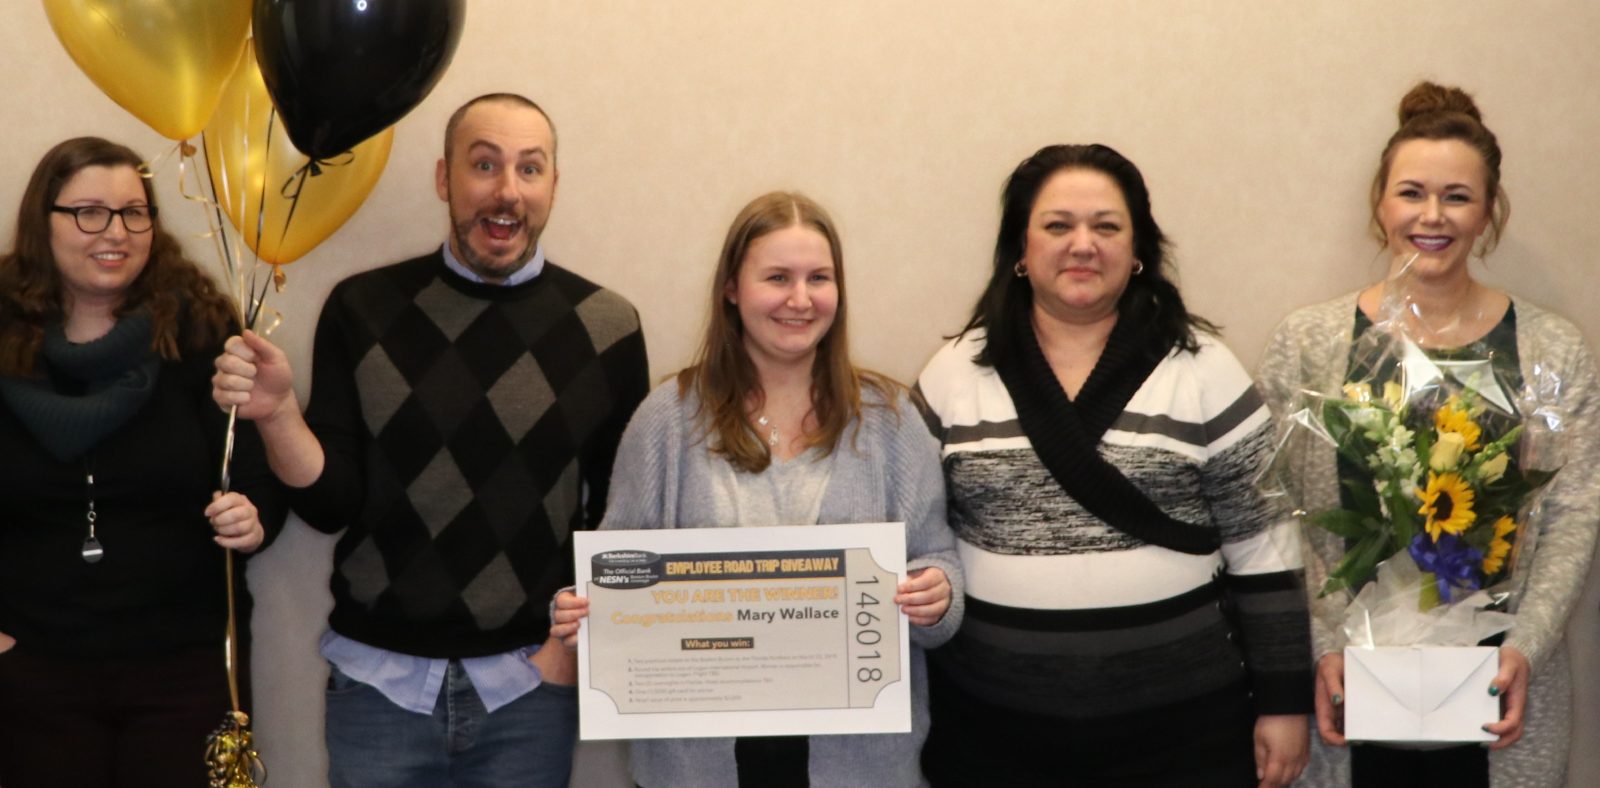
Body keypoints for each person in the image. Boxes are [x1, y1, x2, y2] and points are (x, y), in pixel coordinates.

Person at [211, 93, 650, 787]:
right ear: (445, 178)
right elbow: (330, 504)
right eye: (485, 165)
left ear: (553, 186)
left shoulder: (608, 328)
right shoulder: (363, 308)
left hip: (528, 693)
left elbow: (620, 518)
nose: (507, 192)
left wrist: (567, 651)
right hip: (378, 688)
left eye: (530, 168)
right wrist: (277, 415)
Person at [915, 144, 1312, 787]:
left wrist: (1284, 701)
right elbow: (921, 540)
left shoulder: (1205, 370)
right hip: (992, 734)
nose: (1083, 245)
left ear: (1138, 251)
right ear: (1020, 250)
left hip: (1184, 734)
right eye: (1057, 225)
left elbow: (1266, 546)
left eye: (1106, 226)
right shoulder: (953, 375)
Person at [549, 191, 963, 787]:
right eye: (777, 277)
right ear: (732, 288)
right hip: (696, 766)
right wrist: (582, 609)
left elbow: (938, 561)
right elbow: (616, 574)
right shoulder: (667, 419)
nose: (800, 299)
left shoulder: (890, 419)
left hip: (859, 764)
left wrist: (937, 595)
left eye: (818, 278)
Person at [1258, 82, 1600, 788]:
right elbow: (1272, 511)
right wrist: (1321, 644)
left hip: (1500, 694)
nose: (1432, 216)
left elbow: (1575, 511)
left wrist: (1527, 648)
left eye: (1457, 197)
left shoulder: (1551, 348)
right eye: (1411, 193)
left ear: (1488, 211)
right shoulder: (1309, 343)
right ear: (1380, 203)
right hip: (1346, 689)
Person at [0, 136, 285, 787]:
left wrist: (253, 517)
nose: (116, 232)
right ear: (44, 222)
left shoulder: (204, 328)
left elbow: (259, 475)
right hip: (32, 672)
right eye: (89, 212)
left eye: (134, 212)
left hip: (184, 671)